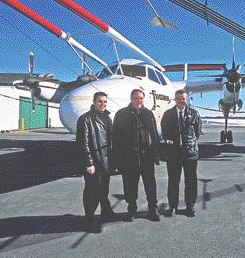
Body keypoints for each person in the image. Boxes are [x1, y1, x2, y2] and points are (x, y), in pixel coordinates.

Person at [113, 89, 160, 222]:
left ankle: (153, 209)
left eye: (141, 98)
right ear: (131, 98)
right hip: (129, 158)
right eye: (136, 98)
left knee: (150, 185)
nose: (139, 101)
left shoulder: (148, 113)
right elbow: (115, 138)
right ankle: (131, 209)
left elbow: (154, 134)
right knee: (129, 186)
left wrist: (156, 154)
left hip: (146, 158)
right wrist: (118, 159)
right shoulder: (122, 114)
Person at [76, 92, 114, 233]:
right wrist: (89, 163)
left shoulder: (107, 118)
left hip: (106, 162)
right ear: (93, 101)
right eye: (100, 101)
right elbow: (83, 143)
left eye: (105, 101)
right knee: (92, 192)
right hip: (94, 163)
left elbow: (110, 140)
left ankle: (106, 212)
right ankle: (90, 220)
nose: (103, 104)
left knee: (103, 189)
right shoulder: (85, 119)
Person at [161, 89, 202, 217]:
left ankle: (190, 206)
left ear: (186, 99)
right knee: (173, 181)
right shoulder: (168, 114)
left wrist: (188, 143)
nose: (181, 101)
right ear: (175, 99)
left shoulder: (194, 114)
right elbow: (164, 131)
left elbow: (197, 132)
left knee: (191, 181)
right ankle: (173, 207)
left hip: (190, 154)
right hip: (173, 154)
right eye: (178, 98)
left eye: (183, 98)